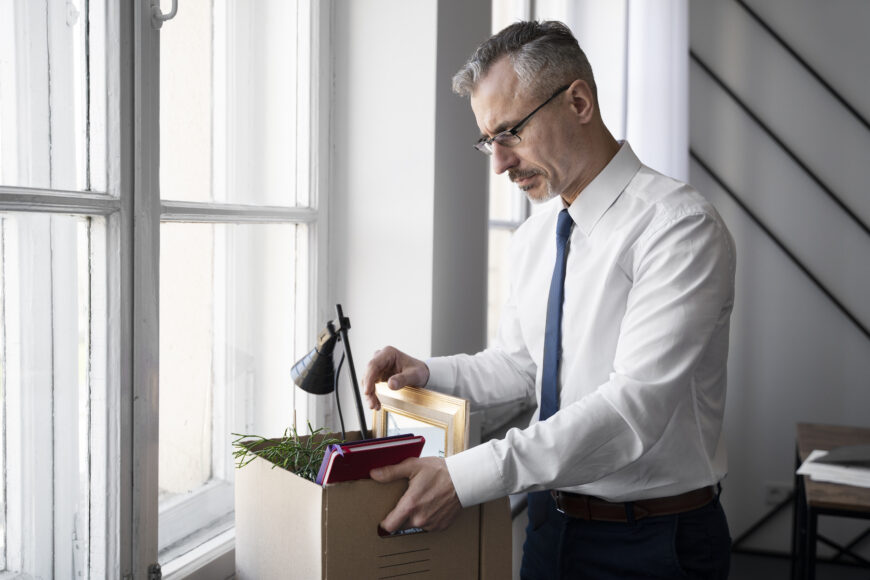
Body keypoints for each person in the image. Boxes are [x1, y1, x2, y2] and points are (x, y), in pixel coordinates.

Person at [363, 20, 735, 579]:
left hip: (653, 542)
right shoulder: (537, 237)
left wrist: (468, 476)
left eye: (509, 133)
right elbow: (521, 369)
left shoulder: (679, 228)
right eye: (489, 140)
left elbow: (632, 410)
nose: (498, 163)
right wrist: (427, 373)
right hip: (549, 528)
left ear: (578, 101)